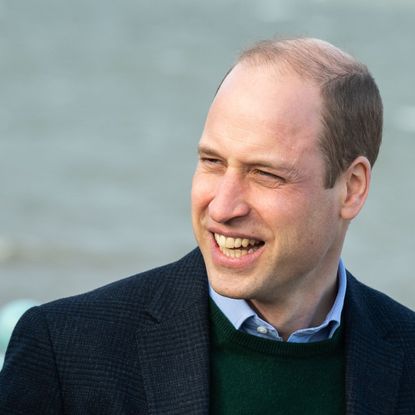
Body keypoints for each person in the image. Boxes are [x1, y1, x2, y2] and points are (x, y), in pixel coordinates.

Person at [0, 37, 414, 415]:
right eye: (212, 162)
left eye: (265, 173)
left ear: (352, 188)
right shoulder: (64, 353)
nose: (221, 206)